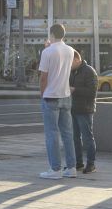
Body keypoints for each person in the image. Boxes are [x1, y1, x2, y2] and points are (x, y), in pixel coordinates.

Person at [38, 24, 77, 179]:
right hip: (66, 95)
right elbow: (76, 60)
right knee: (68, 134)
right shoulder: (70, 50)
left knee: (52, 134)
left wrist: (42, 94)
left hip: (51, 96)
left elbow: (43, 78)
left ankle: (55, 169)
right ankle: (71, 168)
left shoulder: (47, 52)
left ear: (52, 34)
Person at [69, 50, 98, 175]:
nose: (68, 65)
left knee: (87, 138)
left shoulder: (89, 71)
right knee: (75, 138)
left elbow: (92, 92)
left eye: (70, 62)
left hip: (85, 110)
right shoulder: (72, 71)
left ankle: (91, 164)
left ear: (76, 60)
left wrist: (75, 89)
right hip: (73, 109)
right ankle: (78, 163)